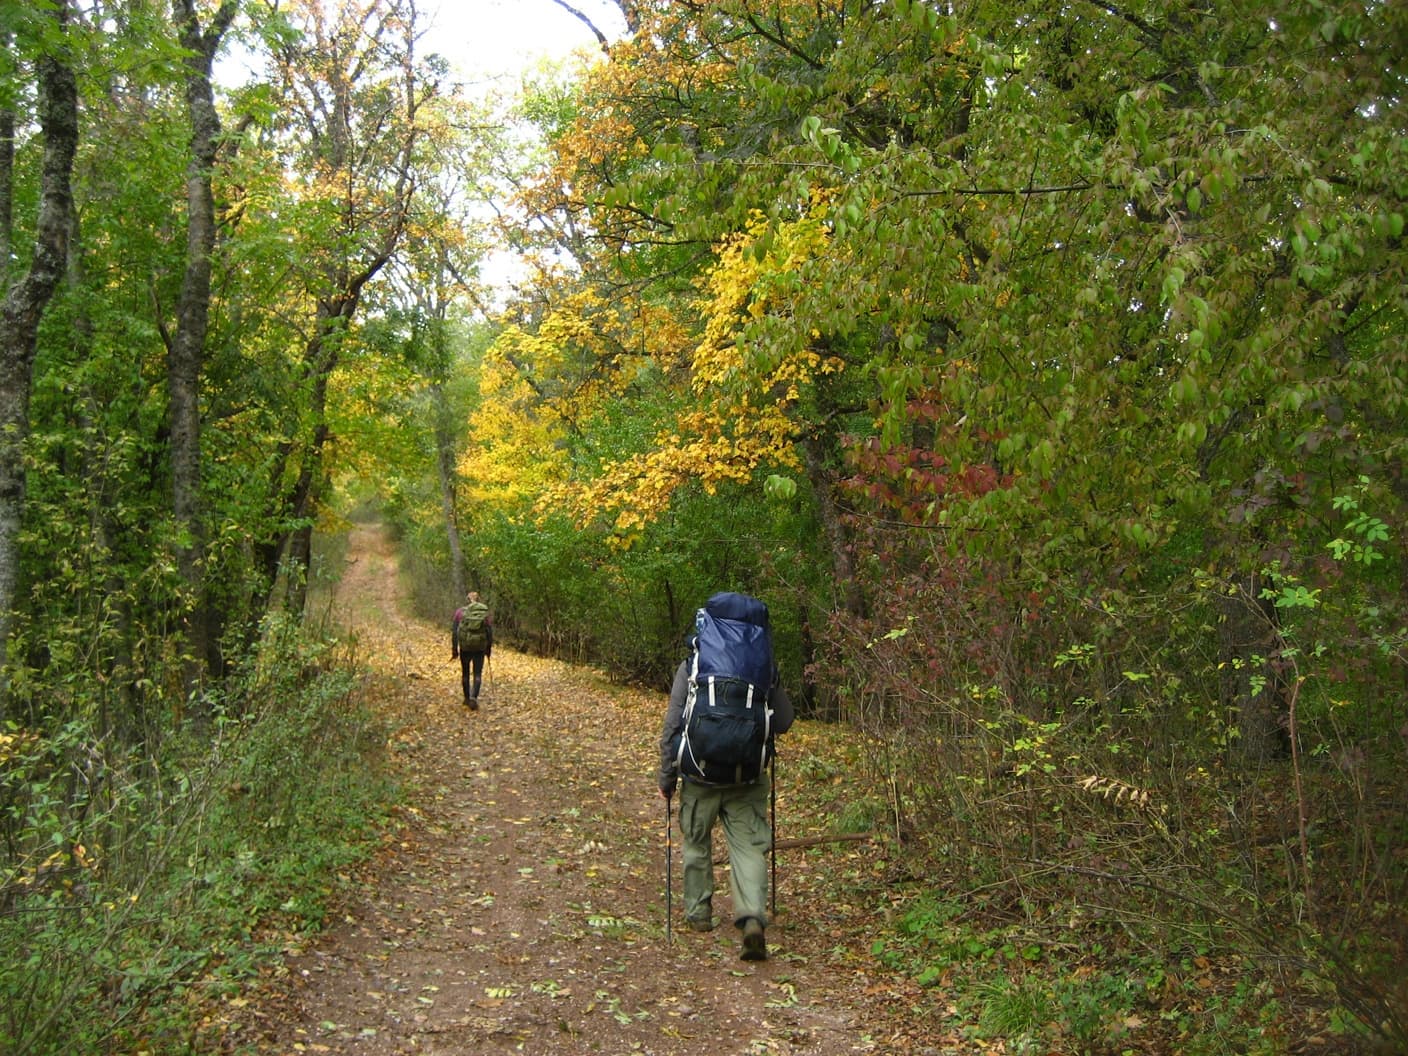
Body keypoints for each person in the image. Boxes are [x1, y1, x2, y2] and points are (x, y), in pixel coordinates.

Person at [657, 600, 794, 961]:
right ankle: (751, 917)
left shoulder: (694, 665)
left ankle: (699, 914)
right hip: (747, 776)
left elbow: (674, 723)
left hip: (699, 775)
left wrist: (667, 774)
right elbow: (783, 721)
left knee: (696, 841)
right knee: (748, 847)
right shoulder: (763, 668)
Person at [451, 591, 493, 709]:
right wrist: (488, 649)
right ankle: (474, 697)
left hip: (465, 648)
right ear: (478, 600)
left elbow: (455, 632)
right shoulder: (484, 614)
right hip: (480, 648)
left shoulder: (460, 613)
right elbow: (489, 632)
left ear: (467, 600)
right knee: (477, 673)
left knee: (465, 673)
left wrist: (455, 649)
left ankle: (466, 698)